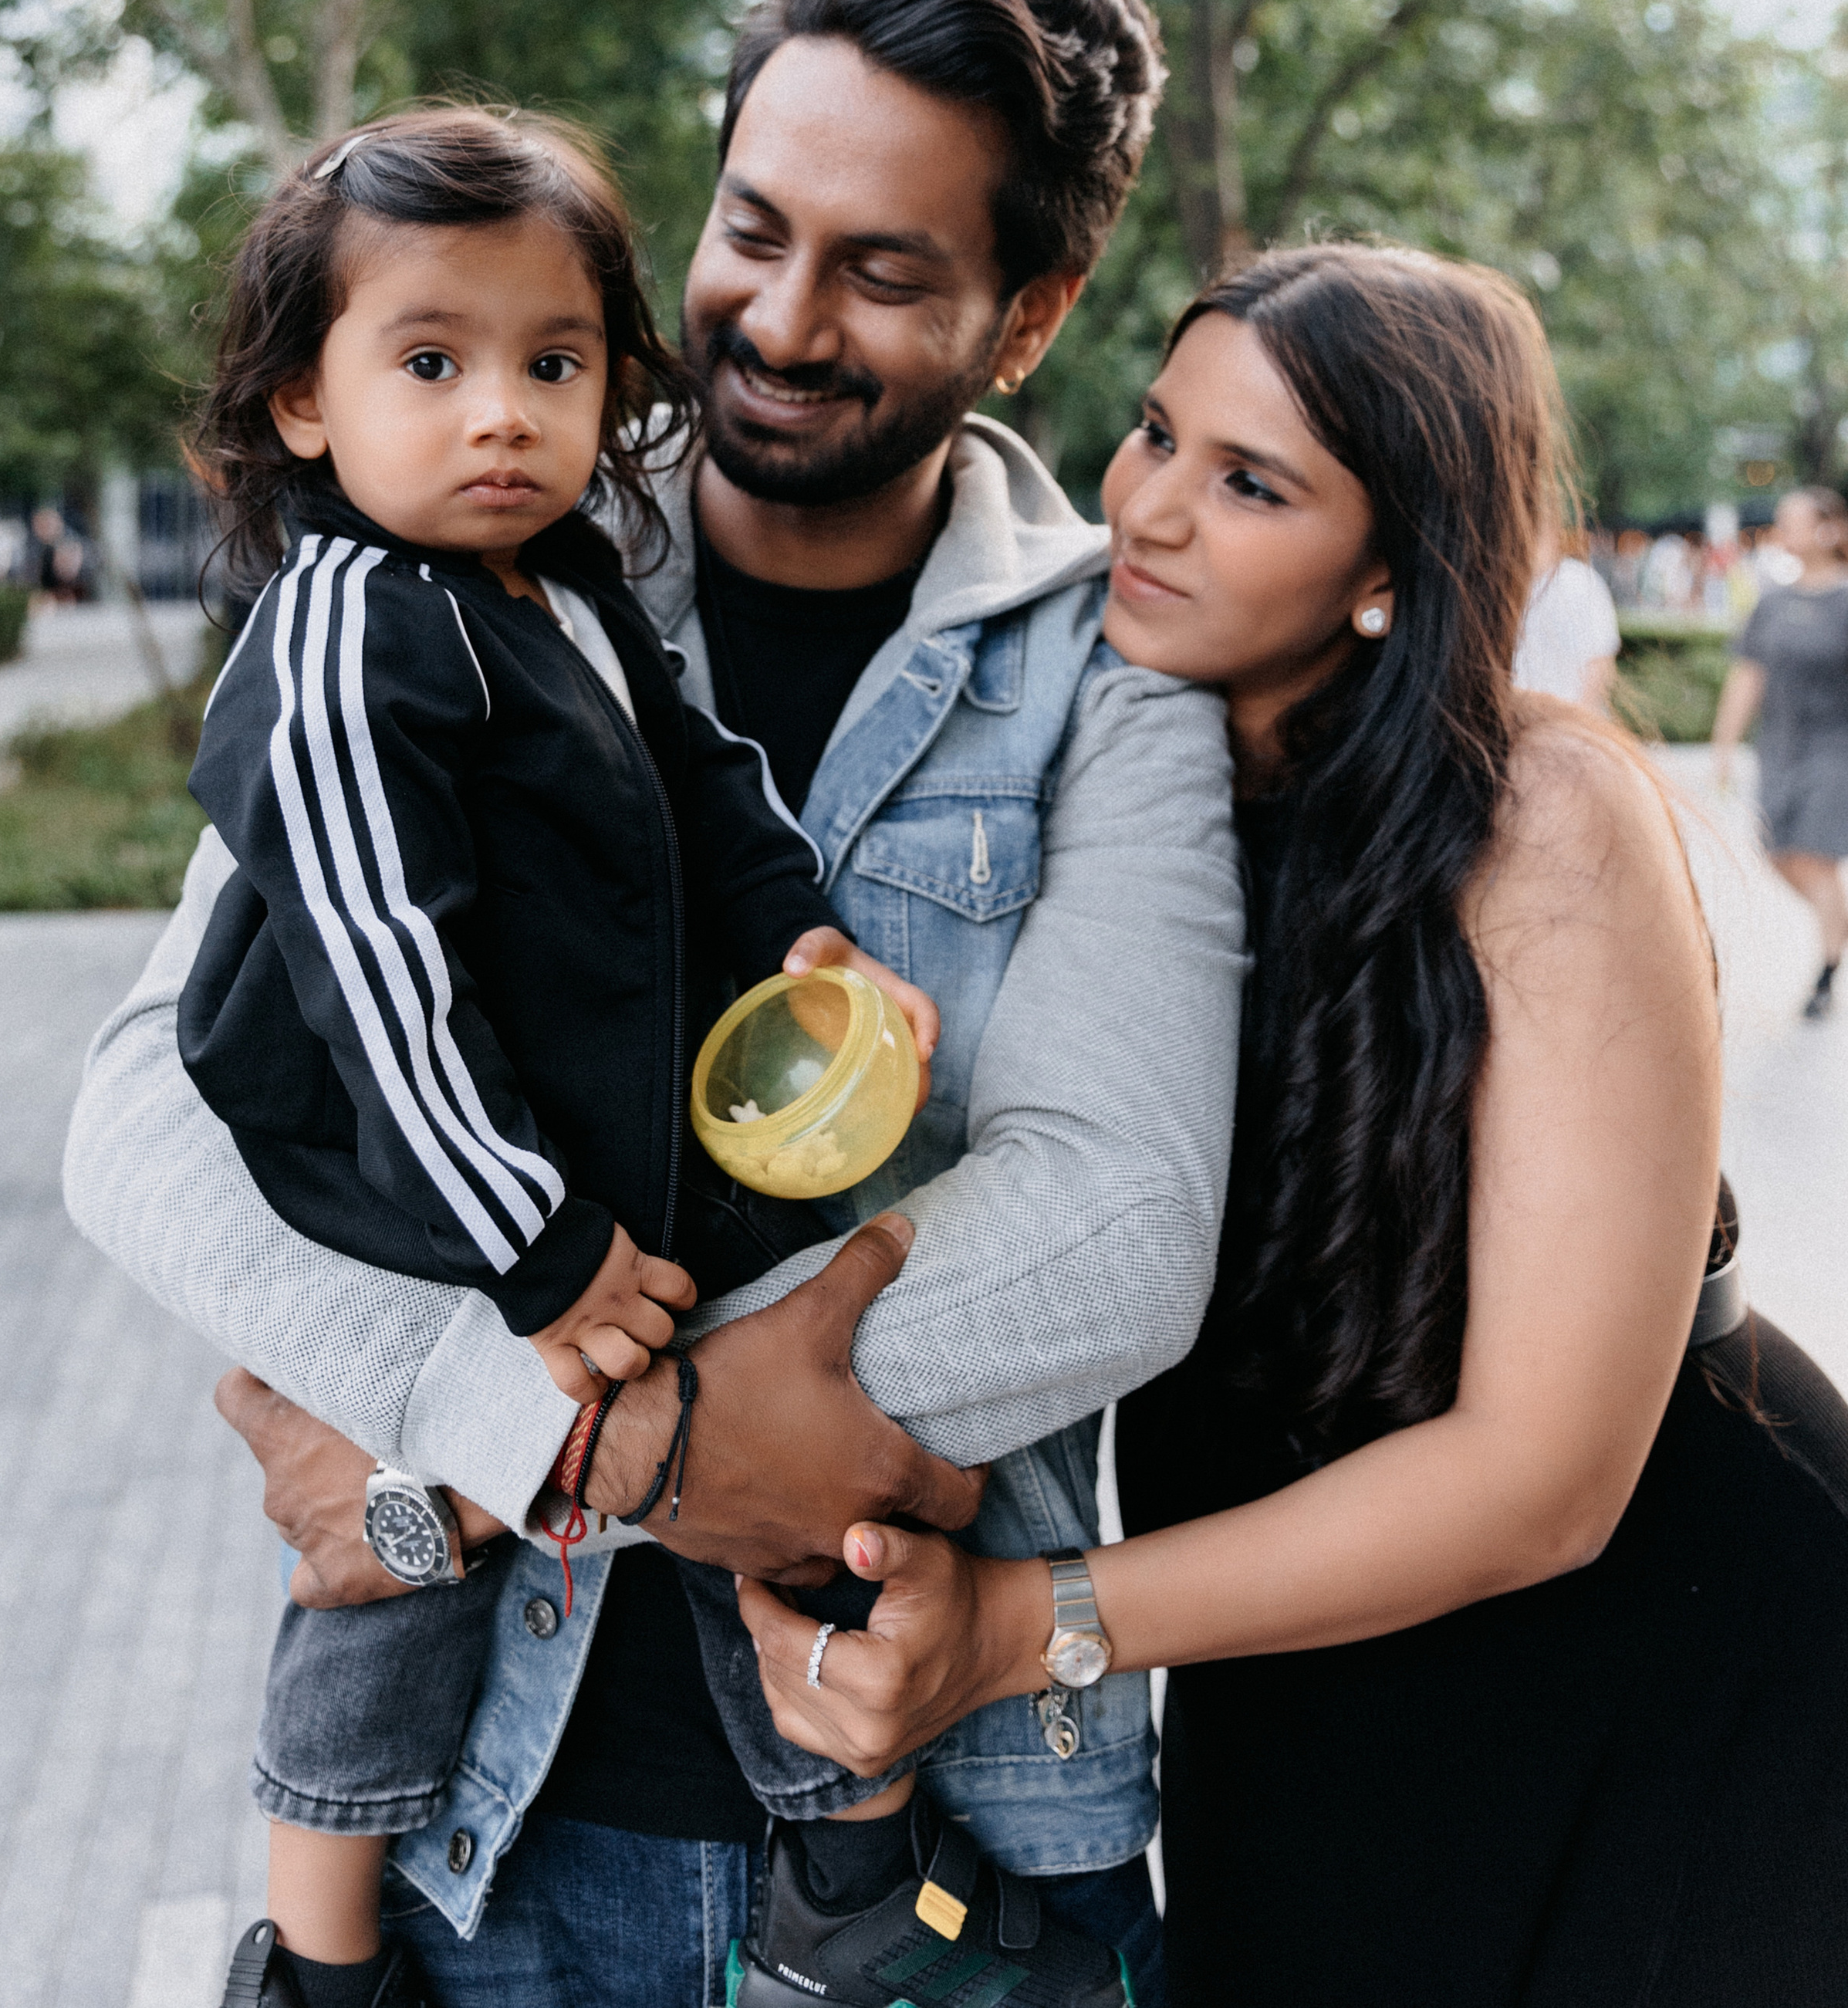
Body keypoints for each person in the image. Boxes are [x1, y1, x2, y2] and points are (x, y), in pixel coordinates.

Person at [63, 0, 1247, 2008]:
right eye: (752, 229)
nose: (778, 318)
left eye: (882, 269)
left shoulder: (1107, 670)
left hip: (944, 1832)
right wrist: (539, 1426)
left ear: (1029, 315)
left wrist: (509, 1447)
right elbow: (147, 1113)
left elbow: (1122, 1228)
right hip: (484, 1847)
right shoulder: (464, 558)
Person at [740, 242, 1848, 2008]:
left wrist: (1027, 1625)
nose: (1149, 510)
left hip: (1655, 1658)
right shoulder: (1112, 759)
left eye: (1249, 483)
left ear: (1391, 570)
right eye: (1152, 434)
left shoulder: (1536, 814)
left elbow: (1545, 1482)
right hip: (1289, 1646)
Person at [173, 104, 962, 2007]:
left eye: (551, 363)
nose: (500, 416)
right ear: (303, 401)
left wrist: (798, 931)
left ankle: (848, 1865)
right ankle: (321, 1959)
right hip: (408, 1185)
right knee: (393, 1573)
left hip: (570, 1171)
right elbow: (378, 973)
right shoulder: (343, 630)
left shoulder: (567, 591)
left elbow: (704, 780)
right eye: (429, 364)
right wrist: (531, 1249)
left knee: (765, 1478)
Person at [1712, 483, 1848, 1019]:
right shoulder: (1771, 601)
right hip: (1780, 747)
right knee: (1777, 854)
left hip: (1835, 749)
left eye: (1795, 521)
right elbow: (1748, 676)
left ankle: (1826, 971)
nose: (1784, 530)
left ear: (1829, 530)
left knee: (1815, 856)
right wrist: (1724, 743)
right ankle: (1836, 921)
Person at [1512, 510, 1618, 711]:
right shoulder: (1511, 587)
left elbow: (1600, 661)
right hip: (1527, 718)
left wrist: (1578, 715)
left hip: (1567, 718)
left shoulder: (1579, 581)